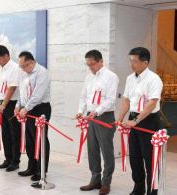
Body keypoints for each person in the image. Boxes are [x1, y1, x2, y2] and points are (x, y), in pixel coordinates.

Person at [117, 47, 163, 195]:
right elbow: (126, 100)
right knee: (135, 157)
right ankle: (139, 188)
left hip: (148, 120)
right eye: (130, 60)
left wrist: (136, 120)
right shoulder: (130, 78)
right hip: (133, 118)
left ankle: (152, 190)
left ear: (145, 62)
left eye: (135, 61)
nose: (132, 64)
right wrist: (120, 118)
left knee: (150, 158)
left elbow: (152, 103)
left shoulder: (154, 79)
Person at [77, 50, 119, 195]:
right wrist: (80, 111)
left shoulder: (111, 77)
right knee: (92, 149)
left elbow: (110, 99)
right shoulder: (89, 77)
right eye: (87, 65)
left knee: (106, 151)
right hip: (90, 116)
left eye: (92, 64)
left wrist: (97, 111)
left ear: (101, 61)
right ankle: (95, 179)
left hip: (104, 117)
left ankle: (106, 183)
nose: (90, 67)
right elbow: (84, 96)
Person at [15, 51, 51, 182]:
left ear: (31, 62)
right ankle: (32, 166)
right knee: (29, 139)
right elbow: (21, 91)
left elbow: (37, 95)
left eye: (24, 66)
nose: (22, 69)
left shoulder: (42, 73)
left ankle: (41, 170)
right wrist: (18, 105)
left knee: (40, 140)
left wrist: (26, 108)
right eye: (21, 67)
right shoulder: (24, 73)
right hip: (27, 109)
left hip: (40, 109)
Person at [0, 45, 21, 171]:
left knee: (14, 133)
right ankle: (7, 159)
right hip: (1, 103)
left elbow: (12, 87)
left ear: (6, 56)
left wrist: (4, 105)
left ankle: (15, 161)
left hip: (12, 103)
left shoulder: (14, 68)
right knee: (5, 134)